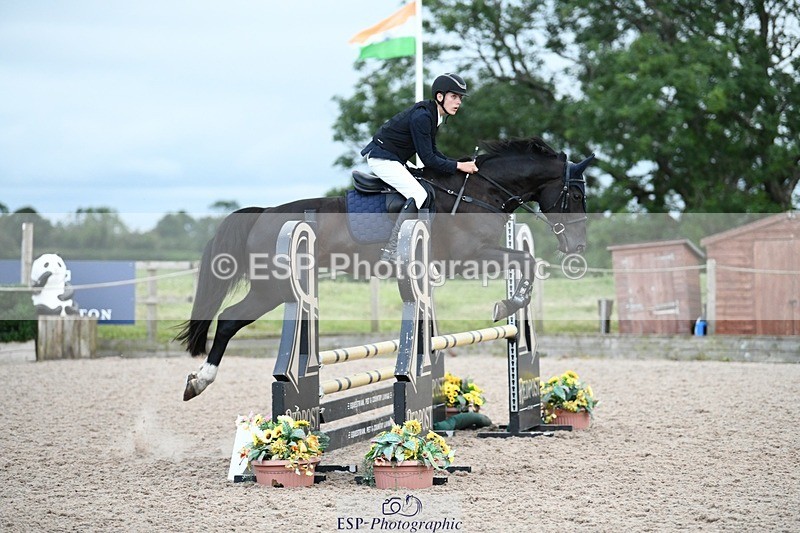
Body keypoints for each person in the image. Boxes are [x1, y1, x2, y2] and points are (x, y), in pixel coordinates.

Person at [361, 73, 479, 261]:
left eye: (460, 98)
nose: (459, 102)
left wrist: (458, 165)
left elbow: (433, 152)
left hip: (395, 158)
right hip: (382, 159)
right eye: (454, 97)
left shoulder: (433, 115)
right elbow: (428, 159)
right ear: (440, 97)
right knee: (419, 194)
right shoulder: (423, 117)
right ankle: (391, 251)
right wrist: (459, 166)